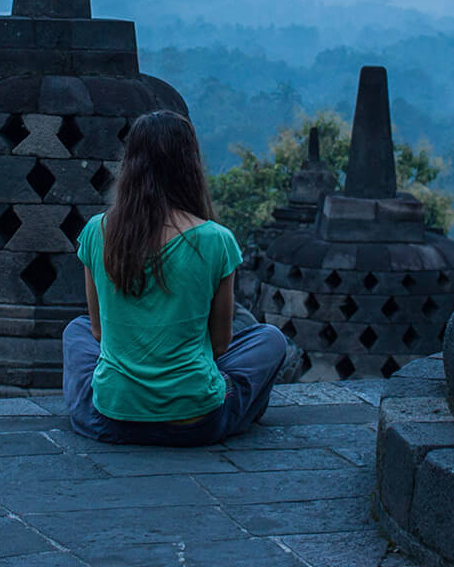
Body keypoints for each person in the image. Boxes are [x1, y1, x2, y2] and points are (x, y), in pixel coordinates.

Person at [64, 110, 289, 446]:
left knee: (76, 332)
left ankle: (124, 395)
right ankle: (213, 396)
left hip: (113, 418)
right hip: (194, 421)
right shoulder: (216, 239)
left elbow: (98, 331)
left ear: (130, 164)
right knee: (269, 340)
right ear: (190, 165)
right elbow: (220, 343)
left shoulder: (98, 231)